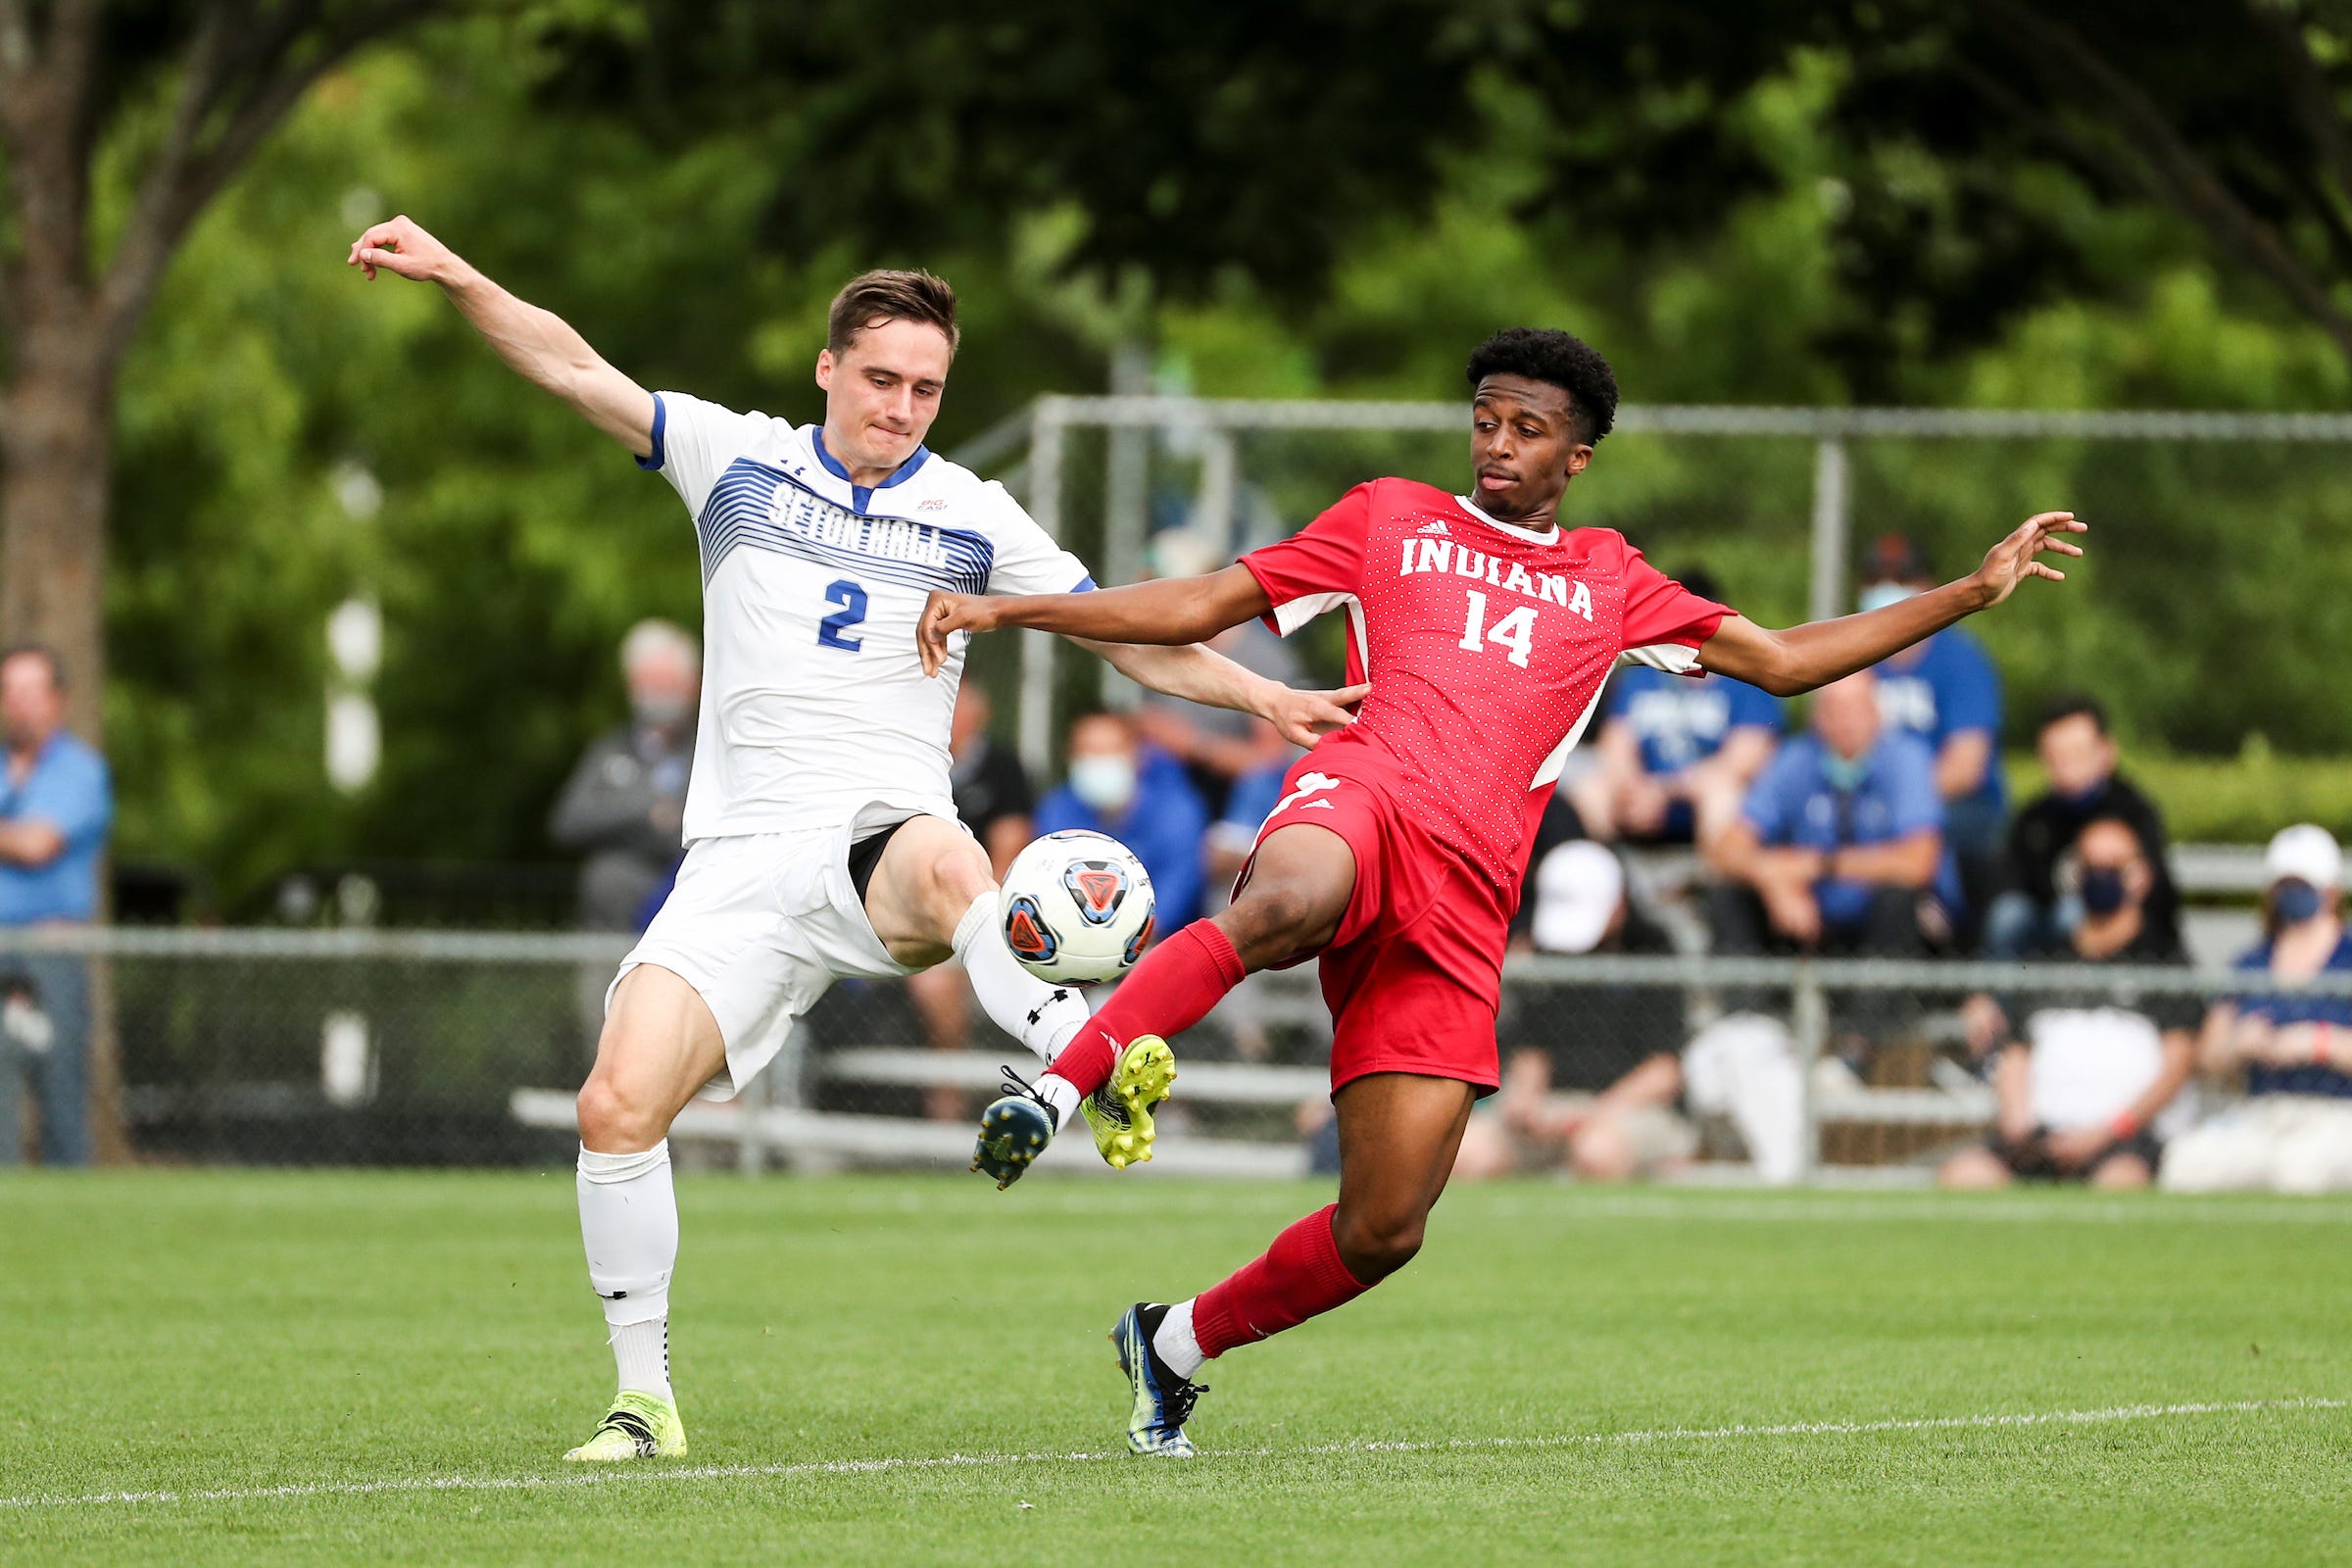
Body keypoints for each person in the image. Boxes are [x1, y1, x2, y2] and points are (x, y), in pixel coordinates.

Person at [916, 323, 2082, 1454]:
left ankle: (1170, 1343)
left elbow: (1780, 661)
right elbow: (1194, 603)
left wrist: (1966, 593)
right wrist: (1012, 609)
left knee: (1384, 1227)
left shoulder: (1612, 577)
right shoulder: (1387, 517)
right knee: (1278, 905)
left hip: (1464, 902)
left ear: (1578, 455)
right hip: (1363, 798)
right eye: (1486, 421)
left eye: (1528, 429)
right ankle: (1060, 1087)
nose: (1499, 445)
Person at [348, 220, 1360, 1462]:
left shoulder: (973, 513)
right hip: (736, 862)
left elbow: (1127, 632)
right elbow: (570, 366)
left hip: (879, 830)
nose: (903, 406)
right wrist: (457, 275)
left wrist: (1264, 696)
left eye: (927, 388)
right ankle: (643, 1404)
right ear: (827, 367)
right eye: (882, 378)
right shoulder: (735, 460)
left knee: (945, 859)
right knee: (614, 1107)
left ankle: (1076, 1052)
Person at [1939, 815, 2196, 1191]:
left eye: (2112, 867)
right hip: (2043, 1133)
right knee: (1963, 1175)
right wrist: (2019, 1125)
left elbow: (2178, 1064)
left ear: (2141, 876)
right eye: (2090, 866)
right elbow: (2016, 1052)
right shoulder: (2046, 960)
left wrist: (2109, 1131)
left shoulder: (2164, 964)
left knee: (2120, 1184)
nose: (2100, 877)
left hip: (2124, 1139)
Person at [2161, 825, 2352, 1195]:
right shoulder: (2252, 964)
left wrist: (2319, 1043)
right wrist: (2239, 1045)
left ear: (2330, 891)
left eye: (2302, 884)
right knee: (2186, 1164)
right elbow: (2208, 1058)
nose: (2292, 895)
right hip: (2263, 1111)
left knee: (2298, 1171)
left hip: (2336, 1111)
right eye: (2284, 885)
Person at [1707, 669, 1940, 963]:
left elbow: (1919, 862)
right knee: (1730, 893)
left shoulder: (1906, 759)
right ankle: (1743, 994)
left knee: (1897, 898)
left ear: (1876, 713)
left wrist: (1819, 865)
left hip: (1880, 918)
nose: (1846, 722)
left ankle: (1880, 995)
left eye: (1856, 709)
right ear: (1817, 717)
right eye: (1835, 710)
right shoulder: (1796, 759)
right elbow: (1727, 848)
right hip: (1806, 919)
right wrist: (1771, 879)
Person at [1567, 568, 1782, 849]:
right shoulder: (1642, 676)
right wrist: (1634, 789)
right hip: (1644, 797)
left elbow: (1741, 763)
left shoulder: (1745, 682)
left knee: (1722, 794)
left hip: (1700, 800)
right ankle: (1603, 871)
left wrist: (1665, 791)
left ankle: (1716, 877)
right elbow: (1616, 745)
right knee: (1590, 792)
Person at [1858, 534, 2005, 934]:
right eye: (1876, 579)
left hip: (1953, 808)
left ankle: (1942, 924)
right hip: (1867, 804)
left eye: (1900, 579)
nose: (1886, 589)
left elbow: (1965, 768)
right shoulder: (1853, 657)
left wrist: (1895, 806)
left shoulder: (1961, 659)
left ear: (1927, 586)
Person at [0, 647, 112, 1167]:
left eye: (32, 691)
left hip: (51, 954)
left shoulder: (80, 770)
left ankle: (68, 1199)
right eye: (10, 691)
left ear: (58, 700)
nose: (19, 703)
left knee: (61, 1091)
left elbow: (37, 845)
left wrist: (20, 838)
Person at [906, 683, 1036, 1121]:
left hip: (978, 913)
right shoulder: (913, 766)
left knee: (936, 982)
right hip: (912, 910)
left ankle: (948, 1090)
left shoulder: (1003, 769)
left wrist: (971, 918)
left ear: (978, 716)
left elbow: (1008, 853)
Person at [1985, 694, 2176, 956]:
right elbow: (2012, 890)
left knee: (2073, 913)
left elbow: (2156, 902)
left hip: (2128, 949)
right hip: (2047, 946)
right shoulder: (2034, 820)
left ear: (2106, 751)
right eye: (2055, 756)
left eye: (2076, 754)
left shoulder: (2133, 814)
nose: (2065, 766)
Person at [548, 619, 700, 933]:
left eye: (669, 685)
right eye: (652, 685)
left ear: (694, 685)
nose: (660, 697)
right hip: (623, 907)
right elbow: (568, 822)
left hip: (692, 892)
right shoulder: (610, 750)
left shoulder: (709, 750)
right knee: (605, 876)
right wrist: (647, 814)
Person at [1035, 711, 1209, 932]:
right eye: (1087, 751)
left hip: (1161, 941)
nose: (1099, 761)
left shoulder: (1178, 811)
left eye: (1110, 751)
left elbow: (1179, 889)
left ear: (1138, 755)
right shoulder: (1057, 809)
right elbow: (1047, 886)